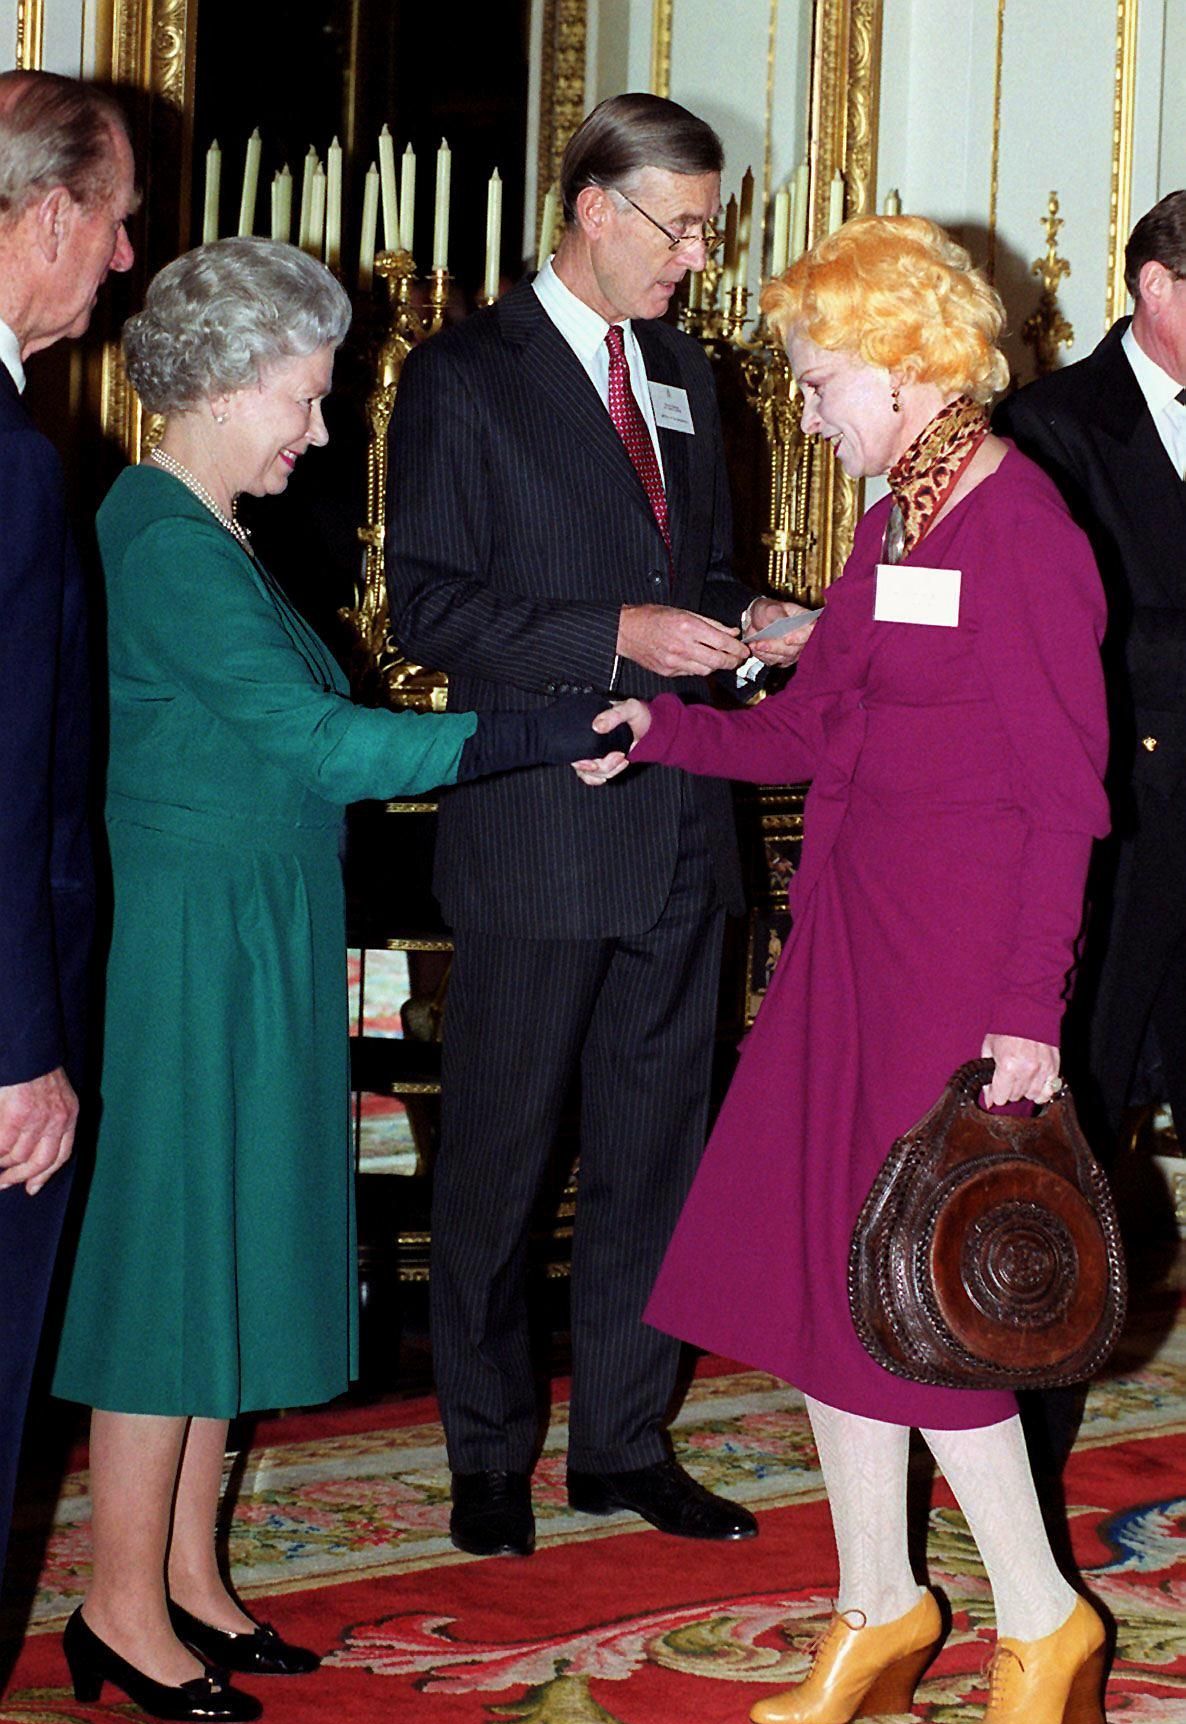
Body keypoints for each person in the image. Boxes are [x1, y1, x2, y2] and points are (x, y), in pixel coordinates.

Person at [48, 236, 629, 1724]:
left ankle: (184, 1572)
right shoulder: (160, 534)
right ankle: (117, 1602)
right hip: (188, 944)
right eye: (303, 400)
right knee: (173, 1268)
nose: (317, 432)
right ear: (228, 383)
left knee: (229, 1249)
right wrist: (531, 730)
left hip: (246, 925)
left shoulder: (205, 525)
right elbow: (325, 747)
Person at [575, 215, 1114, 1724]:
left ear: (898, 366)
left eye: (817, 379)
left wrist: (1029, 1013)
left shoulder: (1020, 532)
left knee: (927, 1303)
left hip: (958, 975)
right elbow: (817, 732)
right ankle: (876, 1598)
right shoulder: (895, 525)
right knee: (826, 1279)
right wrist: (660, 732)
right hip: (847, 953)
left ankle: (1035, 1612)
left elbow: (1068, 799)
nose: (803, 407)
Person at [387, 93, 812, 1561]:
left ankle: (623, 1441)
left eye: (708, 227)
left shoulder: (688, 372)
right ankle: (487, 1452)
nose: (697, 257)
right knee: (499, 1158)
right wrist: (606, 631)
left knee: (656, 1156)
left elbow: (693, 565)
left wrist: (747, 615)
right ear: (592, 207)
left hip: (683, 820)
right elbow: (427, 604)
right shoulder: (464, 374)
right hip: (537, 830)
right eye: (679, 226)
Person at [0, 69, 136, 1724]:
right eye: (108, 217)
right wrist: (20, 1047)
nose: (120, 256)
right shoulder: (15, 466)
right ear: (36, 216)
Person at [996, 192, 1186, 1162]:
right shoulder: (1048, 424)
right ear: (1156, 287)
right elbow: (1057, 633)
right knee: (1084, 1113)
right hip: (1121, 817)